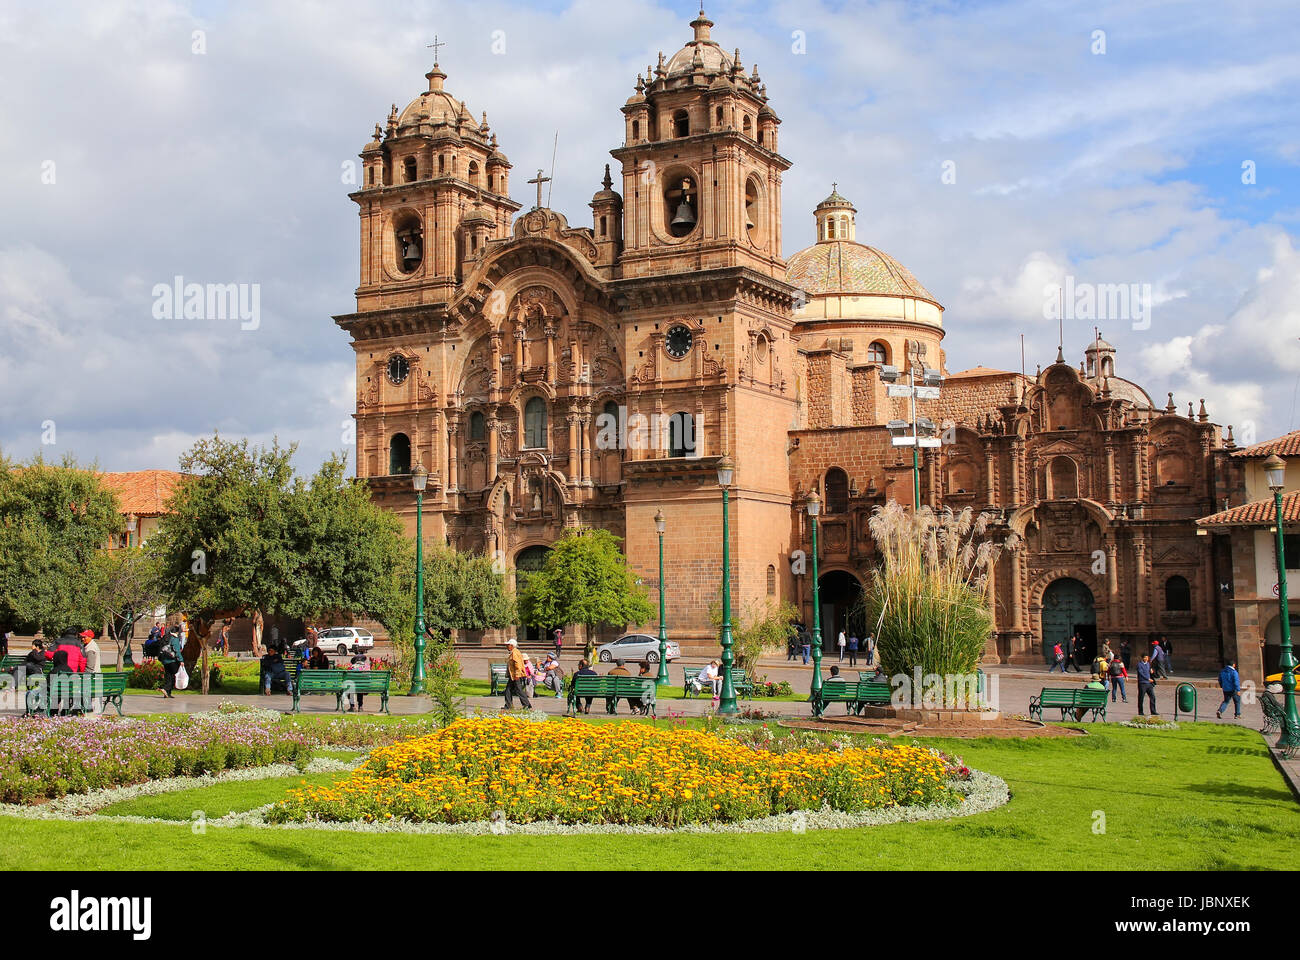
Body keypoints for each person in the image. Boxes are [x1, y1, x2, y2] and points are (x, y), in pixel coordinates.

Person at [503, 639, 532, 710]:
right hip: (513, 675)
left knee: (518, 690)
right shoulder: (514, 652)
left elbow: (517, 664)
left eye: (508, 645)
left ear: (511, 645)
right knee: (508, 690)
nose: (506, 646)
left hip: (516, 675)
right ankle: (508, 705)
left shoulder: (514, 653)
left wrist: (517, 674)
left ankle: (526, 704)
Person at [159, 626, 183, 698]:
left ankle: (167, 693)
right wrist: (181, 660)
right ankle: (165, 688)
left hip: (165, 659)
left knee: (168, 675)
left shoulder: (166, 637)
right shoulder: (175, 639)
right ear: (176, 632)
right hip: (172, 660)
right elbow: (177, 650)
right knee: (173, 676)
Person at [345, 644, 370, 712]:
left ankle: (352, 706)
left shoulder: (351, 667)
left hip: (353, 687)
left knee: (350, 688)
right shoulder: (367, 667)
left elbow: (347, 678)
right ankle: (360, 706)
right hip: (365, 687)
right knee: (360, 688)